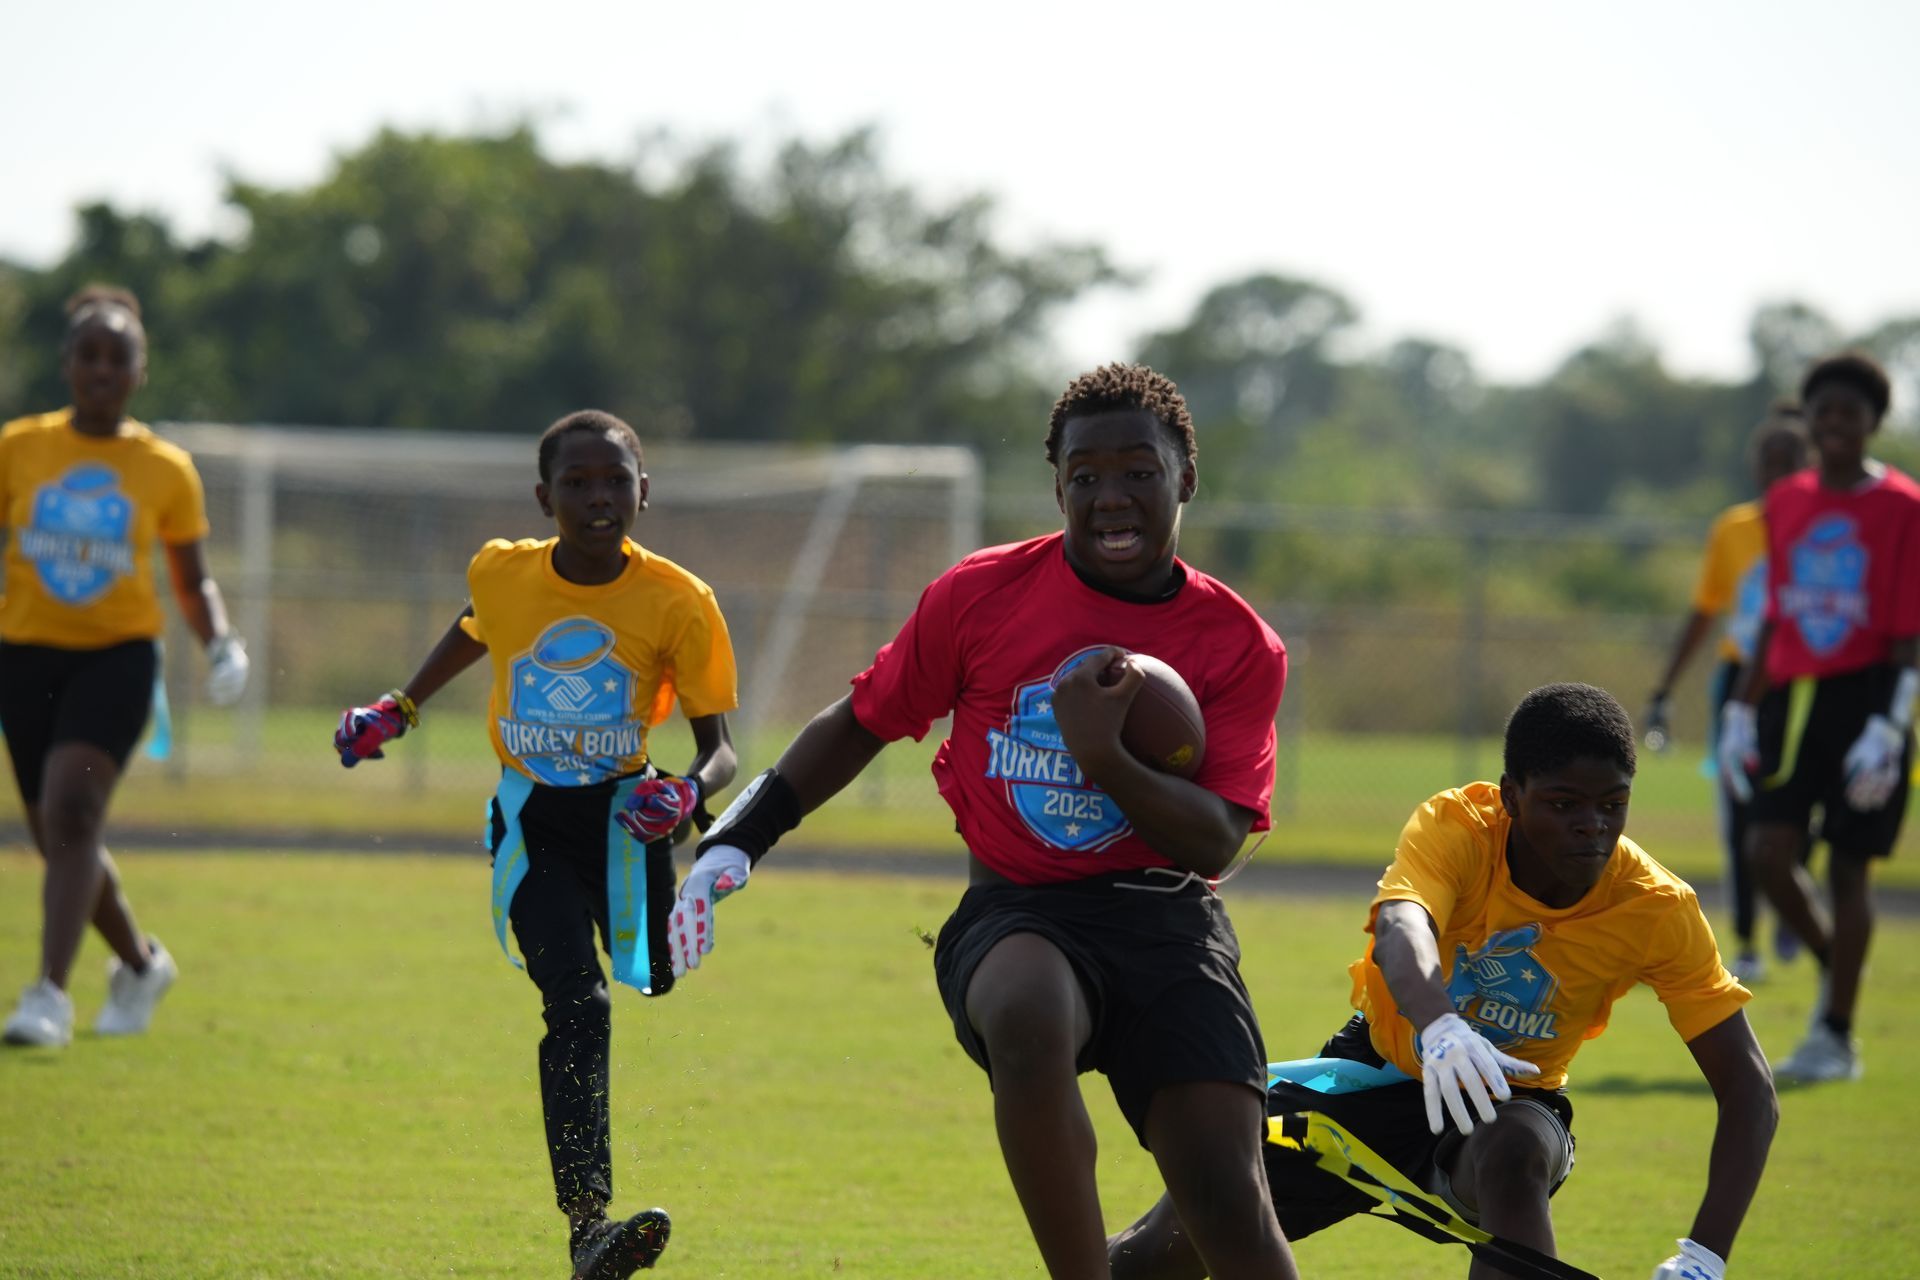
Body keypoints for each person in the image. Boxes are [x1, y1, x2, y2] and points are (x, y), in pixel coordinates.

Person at [665, 363, 1300, 1280]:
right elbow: (862, 720)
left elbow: (1213, 840)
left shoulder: (1237, 642)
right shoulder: (983, 593)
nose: (1111, 496)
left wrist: (1104, 756)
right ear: (1057, 487)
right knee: (1028, 1010)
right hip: (1020, 910)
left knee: (1226, 1200)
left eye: (1138, 471)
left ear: (1186, 479)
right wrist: (738, 837)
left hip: (1168, 921)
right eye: (1085, 476)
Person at [1110, 684, 1777, 1280]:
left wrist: (1703, 1259)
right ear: (1511, 796)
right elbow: (1402, 928)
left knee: (1514, 1155)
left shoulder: (1657, 907)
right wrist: (1442, 1029)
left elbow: (1749, 1089)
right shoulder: (1459, 826)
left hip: (1512, 1101)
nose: (1592, 826)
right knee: (1148, 1258)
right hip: (1374, 1073)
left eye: (1613, 804)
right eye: (1564, 803)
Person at [332, 409, 737, 1280]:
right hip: (533, 827)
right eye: (577, 483)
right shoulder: (502, 570)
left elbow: (722, 752)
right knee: (580, 1003)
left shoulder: (680, 600)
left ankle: (669, 900)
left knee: (655, 976)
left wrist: (687, 794)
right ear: (543, 497)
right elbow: (479, 623)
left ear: (644, 491)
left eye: (615, 481)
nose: (598, 498)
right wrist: (399, 707)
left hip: (628, 821)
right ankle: (589, 1227)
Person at [0, 286, 251, 1049]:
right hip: (24, 656)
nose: (103, 369)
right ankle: (141, 965)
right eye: (89, 355)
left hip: (117, 659)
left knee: (74, 814)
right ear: (67, 363)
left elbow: (191, 578)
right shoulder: (19, 447)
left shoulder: (164, 468)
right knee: (58, 834)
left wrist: (219, 641)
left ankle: (48, 995)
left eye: (119, 358)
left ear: (141, 371)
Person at [1719, 352, 1920, 1084]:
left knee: (1848, 866)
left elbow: (1907, 632)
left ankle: (1835, 1033)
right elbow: (1776, 615)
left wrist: (1890, 725)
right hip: (1791, 699)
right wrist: (1741, 710)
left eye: (1850, 412)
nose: (1836, 424)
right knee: (1767, 852)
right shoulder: (1788, 500)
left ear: (1874, 421)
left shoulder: (1902, 505)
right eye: (1824, 411)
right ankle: (1842, 968)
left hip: (1868, 701)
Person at [1644, 407, 1811, 982]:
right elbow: (1706, 610)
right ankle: (1745, 940)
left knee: (1794, 807)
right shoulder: (1735, 529)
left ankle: (1793, 896)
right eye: (1769, 462)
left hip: (1801, 679)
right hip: (1742, 683)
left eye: (1789, 462)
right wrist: (1665, 685)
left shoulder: (1820, 526)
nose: (1777, 473)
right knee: (1740, 817)